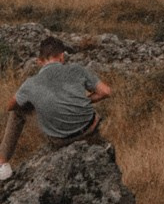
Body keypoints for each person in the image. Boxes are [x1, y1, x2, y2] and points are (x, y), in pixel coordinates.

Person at [0, 35, 112, 180]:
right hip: (90, 129)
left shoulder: (31, 83)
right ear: (61, 56)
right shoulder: (77, 69)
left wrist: (38, 102)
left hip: (61, 140)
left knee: (18, 111)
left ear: (39, 61)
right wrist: (85, 100)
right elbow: (106, 92)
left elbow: (10, 106)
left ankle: (2, 163)